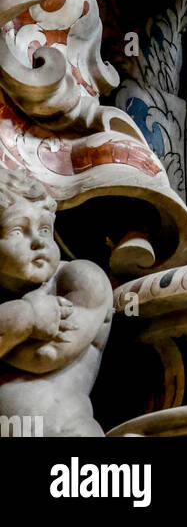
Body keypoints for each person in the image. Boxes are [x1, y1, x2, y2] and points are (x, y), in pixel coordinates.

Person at [0, 168, 112, 437]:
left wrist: (8, 330)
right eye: (18, 230)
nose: (38, 241)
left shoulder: (79, 279)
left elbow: (43, 356)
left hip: (63, 432)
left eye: (45, 229)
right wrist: (28, 316)